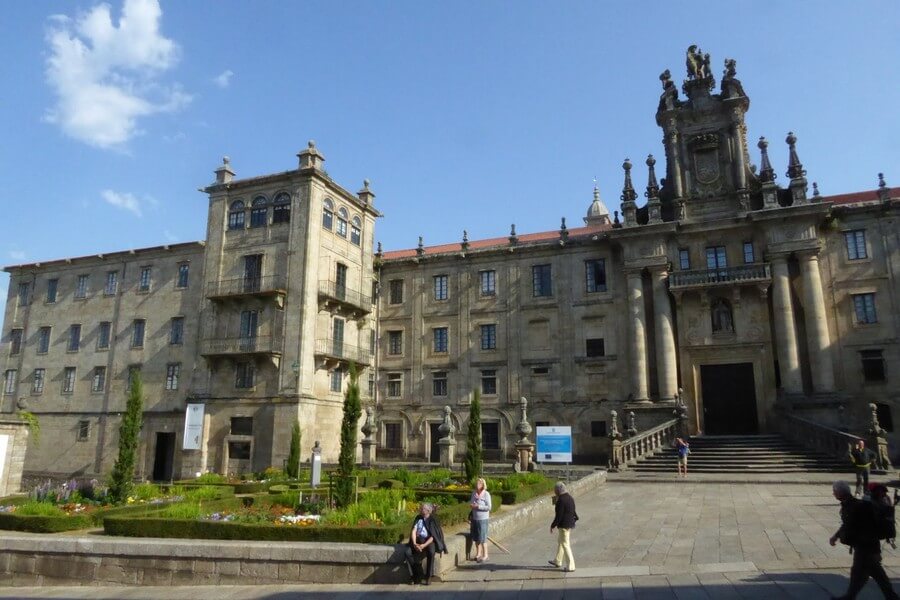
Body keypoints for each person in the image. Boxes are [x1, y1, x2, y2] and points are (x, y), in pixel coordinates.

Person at [828, 480, 899, 600]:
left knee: (867, 573)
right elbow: (847, 524)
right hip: (866, 545)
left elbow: (849, 524)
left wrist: (838, 536)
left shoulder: (854, 506)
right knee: (868, 573)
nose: (833, 494)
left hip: (865, 546)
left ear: (840, 493)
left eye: (834, 492)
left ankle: (851, 596)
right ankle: (852, 596)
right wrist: (836, 536)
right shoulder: (853, 504)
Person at [405, 503, 446, 586]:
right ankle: (416, 575)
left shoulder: (432, 519)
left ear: (428, 511)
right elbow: (414, 530)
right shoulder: (418, 518)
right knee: (407, 552)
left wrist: (423, 546)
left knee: (431, 552)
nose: (420, 509)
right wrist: (415, 543)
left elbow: (433, 536)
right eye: (421, 508)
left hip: (429, 541)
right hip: (418, 540)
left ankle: (428, 576)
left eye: (422, 509)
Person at [548, 481, 578, 572]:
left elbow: (559, 516)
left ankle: (571, 566)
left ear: (558, 490)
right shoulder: (570, 498)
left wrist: (553, 525)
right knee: (561, 541)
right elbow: (574, 511)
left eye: (555, 490)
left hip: (564, 525)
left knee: (565, 544)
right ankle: (557, 560)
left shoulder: (561, 500)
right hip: (569, 523)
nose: (555, 492)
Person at [469, 477, 492, 562]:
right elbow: (471, 503)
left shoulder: (486, 494)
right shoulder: (474, 493)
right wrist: (472, 505)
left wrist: (478, 506)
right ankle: (478, 554)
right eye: (477, 483)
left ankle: (485, 555)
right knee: (476, 537)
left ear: (483, 485)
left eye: (479, 483)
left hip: (483, 519)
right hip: (475, 518)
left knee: (483, 537)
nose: (477, 485)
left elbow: (489, 507)